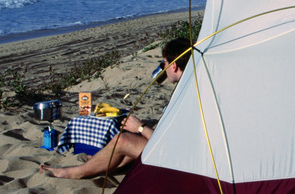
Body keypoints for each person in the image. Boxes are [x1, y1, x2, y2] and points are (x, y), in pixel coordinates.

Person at [40, 37, 192, 179]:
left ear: (174, 66)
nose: (162, 67)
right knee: (127, 143)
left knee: (123, 139)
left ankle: (74, 173)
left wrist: (140, 127)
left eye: (164, 62)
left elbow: (170, 144)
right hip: (175, 150)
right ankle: (101, 166)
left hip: (178, 158)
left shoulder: (188, 95)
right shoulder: (190, 86)